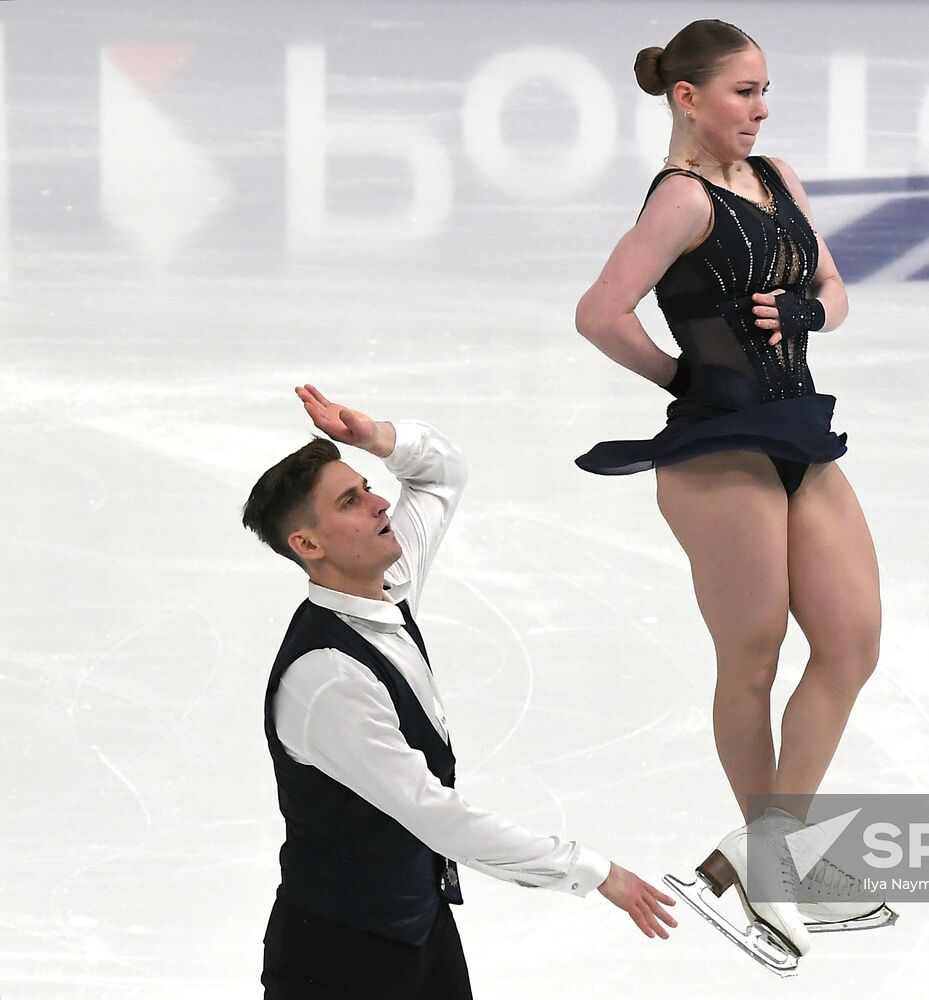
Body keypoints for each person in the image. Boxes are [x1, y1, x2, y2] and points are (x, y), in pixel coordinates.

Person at [573, 20, 890, 964]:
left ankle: (765, 857)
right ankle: (774, 869)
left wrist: (808, 311)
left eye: (762, 91)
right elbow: (599, 312)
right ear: (687, 97)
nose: (758, 109)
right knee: (753, 655)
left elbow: (834, 287)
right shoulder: (680, 201)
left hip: (798, 433)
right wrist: (680, 380)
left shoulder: (778, 179)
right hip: (719, 454)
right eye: (741, 92)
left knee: (851, 642)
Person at [243, 384, 675, 999]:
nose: (378, 501)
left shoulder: (387, 584)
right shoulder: (328, 677)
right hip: (340, 956)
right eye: (349, 500)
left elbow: (440, 474)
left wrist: (373, 438)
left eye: (365, 486)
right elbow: (433, 815)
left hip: (419, 927)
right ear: (307, 545)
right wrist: (591, 871)